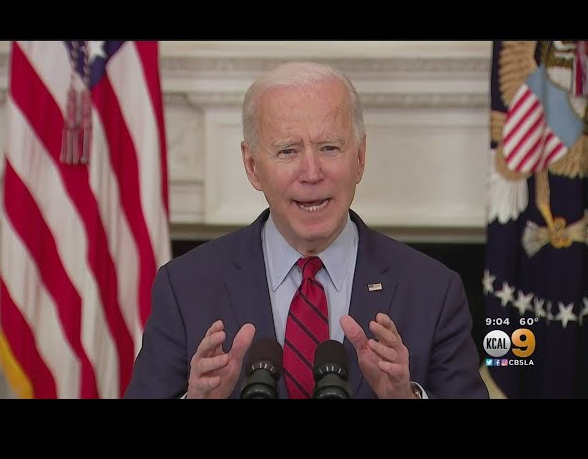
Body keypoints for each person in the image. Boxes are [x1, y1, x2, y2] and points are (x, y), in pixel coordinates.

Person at [124, 61, 489, 399]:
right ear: (252, 166)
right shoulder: (185, 286)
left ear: (360, 157)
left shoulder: (433, 291)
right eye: (287, 151)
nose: (312, 173)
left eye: (329, 147)